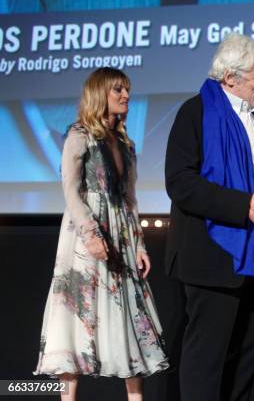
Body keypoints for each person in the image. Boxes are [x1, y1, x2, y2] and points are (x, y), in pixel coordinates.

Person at [164, 33, 254, 401]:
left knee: (253, 347)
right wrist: (246, 205)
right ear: (230, 77)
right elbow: (181, 183)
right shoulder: (195, 113)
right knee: (207, 358)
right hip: (213, 255)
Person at [34, 67, 168, 400]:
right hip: (85, 235)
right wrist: (91, 233)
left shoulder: (125, 143)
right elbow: (71, 189)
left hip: (120, 233)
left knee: (128, 313)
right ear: (100, 94)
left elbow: (130, 198)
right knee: (76, 315)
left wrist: (139, 245)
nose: (126, 96)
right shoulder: (79, 135)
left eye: (127, 90)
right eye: (117, 90)